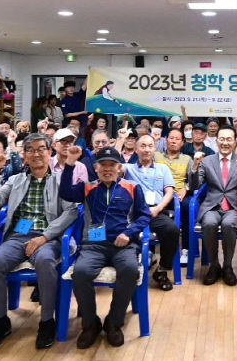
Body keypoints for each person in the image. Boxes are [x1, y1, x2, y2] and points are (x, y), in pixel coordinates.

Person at [0, 133, 79, 350]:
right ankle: (0, 321)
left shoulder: (61, 180)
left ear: (49, 152)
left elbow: (71, 212)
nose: (36, 154)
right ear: (24, 155)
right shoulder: (16, 180)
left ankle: (46, 321)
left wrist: (44, 237)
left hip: (48, 237)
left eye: (41, 149)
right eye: (30, 150)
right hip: (18, 236)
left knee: (45, 262)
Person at [59, 146, 150, 348]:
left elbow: (144, 215)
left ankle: (114, 322)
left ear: (119, 168)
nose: (107, 169)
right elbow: (65, 192)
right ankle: (90, 324)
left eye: (112, 165)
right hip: (94, 245)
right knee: (81, 272)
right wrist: (70, 164)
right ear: (96, 168)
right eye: (103, 165)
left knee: (129, 270)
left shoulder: (132, 187)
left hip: (123, 245)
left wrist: (128, 233)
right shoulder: (88, 187)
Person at [189, 125, 237, 286]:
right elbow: (194, 185)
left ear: (235, 142)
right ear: (216, 141)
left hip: (234, 208)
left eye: (229, 139)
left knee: (229, 224)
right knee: (209, 222)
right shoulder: (207, 161)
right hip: (212, 206)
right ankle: (214, 265)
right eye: (222, 139)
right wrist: (194, 166)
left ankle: (227, 266)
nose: (225, 143)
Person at [124, 135, 181, 291]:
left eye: (150, 146)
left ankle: (162, 270)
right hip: (134, 213)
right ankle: (129, 269)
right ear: (136, 149)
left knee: (172, 230)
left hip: (155, 210)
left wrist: (158, 208)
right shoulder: (128, 168)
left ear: (155, 149)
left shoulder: (163, 168)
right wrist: (121, 140)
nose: (147, 149)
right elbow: (112, 166)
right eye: (142, 146)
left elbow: (170, 192)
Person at [155, 129, 193, 266]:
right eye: (171, 138)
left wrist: (186, 188)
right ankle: (150, 252)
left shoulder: (187, 159)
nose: (173, 141)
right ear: (166, 140)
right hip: (158, 196)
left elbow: (193, 180)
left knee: (189, 207)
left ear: (182, 142)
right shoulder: (156, 156)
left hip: (178, 196)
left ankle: (186, 249)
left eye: (177, 139)